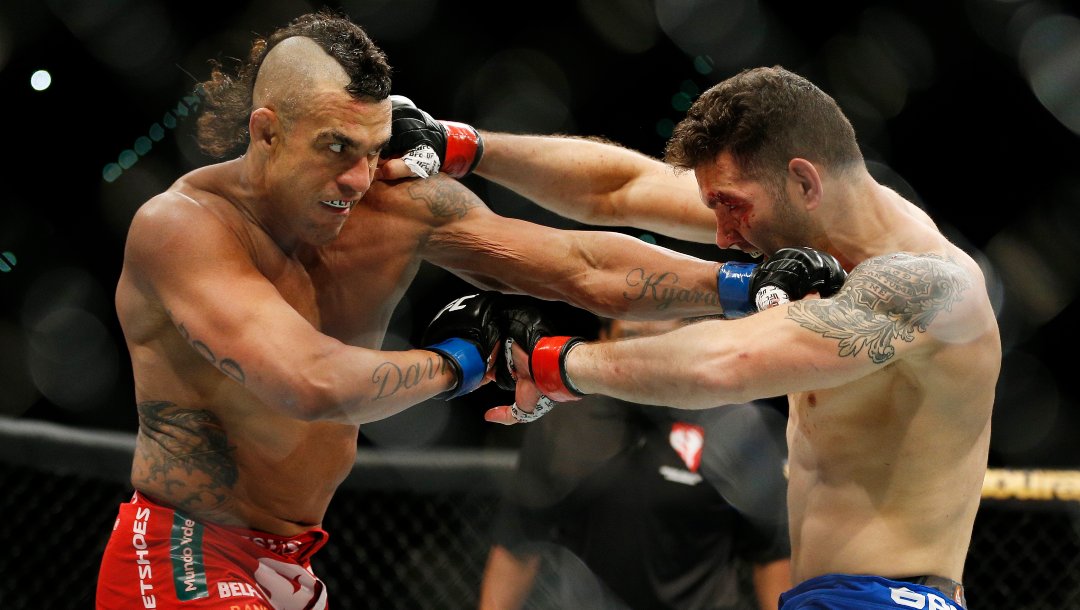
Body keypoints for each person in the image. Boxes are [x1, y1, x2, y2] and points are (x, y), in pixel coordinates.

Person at [95, 11, 843, 608]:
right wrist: (459, 362)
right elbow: (309, 382)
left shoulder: (389, 200)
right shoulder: (184, 229)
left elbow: (577, 264)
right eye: (334, 148)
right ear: (266, 131)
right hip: (185, 551)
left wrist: (744, 283)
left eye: (373, 146)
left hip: (294, 559)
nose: (358, 176)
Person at [385, 66, 1000, 609]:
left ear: (805, 182)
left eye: (732, 207)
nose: (725, 236)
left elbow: (728, 363)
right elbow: (621, 187)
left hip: (890, 598)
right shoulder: (803, 224)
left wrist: (551, 360)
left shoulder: (927, 285)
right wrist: (461, 144)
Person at [479, 314, 792, 610]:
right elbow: (518, 543)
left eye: (657, 343)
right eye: (630, 342)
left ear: (687, 342)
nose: (642, 363)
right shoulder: (564, 422)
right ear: (602, 343)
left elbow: (772, 554)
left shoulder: (734, 422)